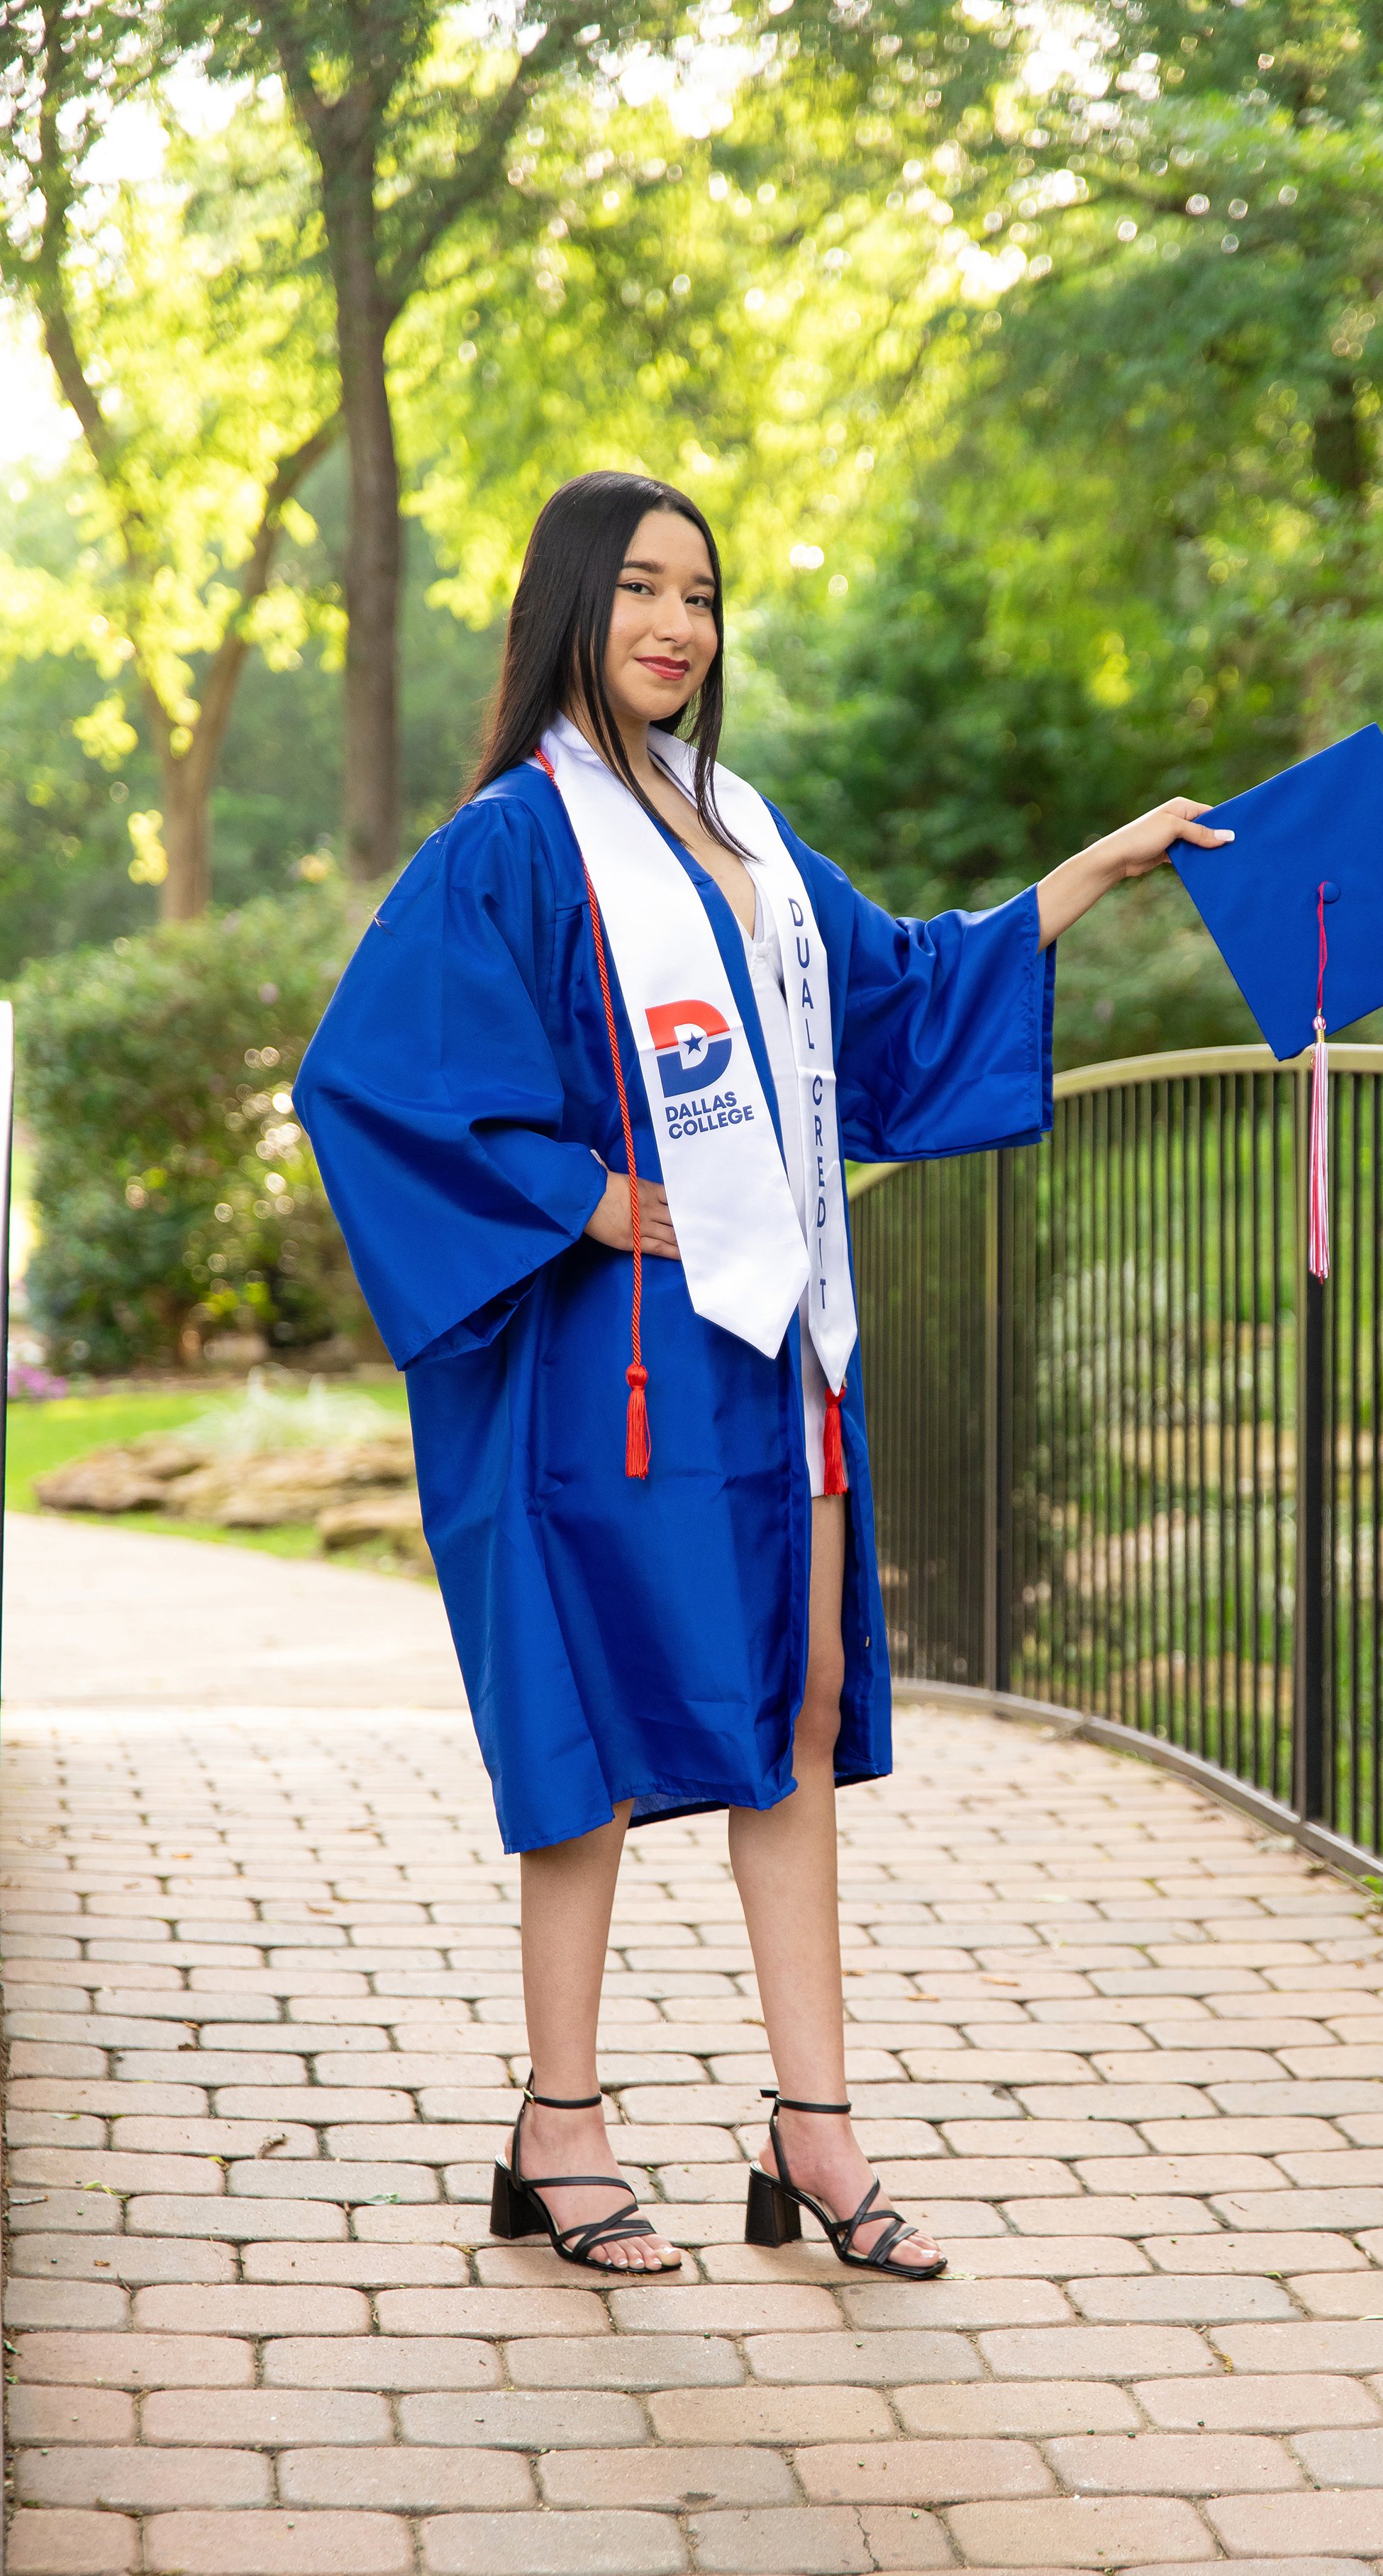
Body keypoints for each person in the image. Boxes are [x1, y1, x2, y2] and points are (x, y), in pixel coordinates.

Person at [294, 469, 1233, 2279]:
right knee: (592, 1732)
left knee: (792, 1718)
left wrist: (1100, 870)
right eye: (641, 589)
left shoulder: (743, 831)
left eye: (702, 598)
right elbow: (376, 1079)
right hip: (615, 1369)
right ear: (570, 607)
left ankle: (811, 2127)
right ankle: (555, 2126)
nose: (675, 626)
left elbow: (896, 1001)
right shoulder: (514, 840)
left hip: (779, 1353)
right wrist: (580, 1195)